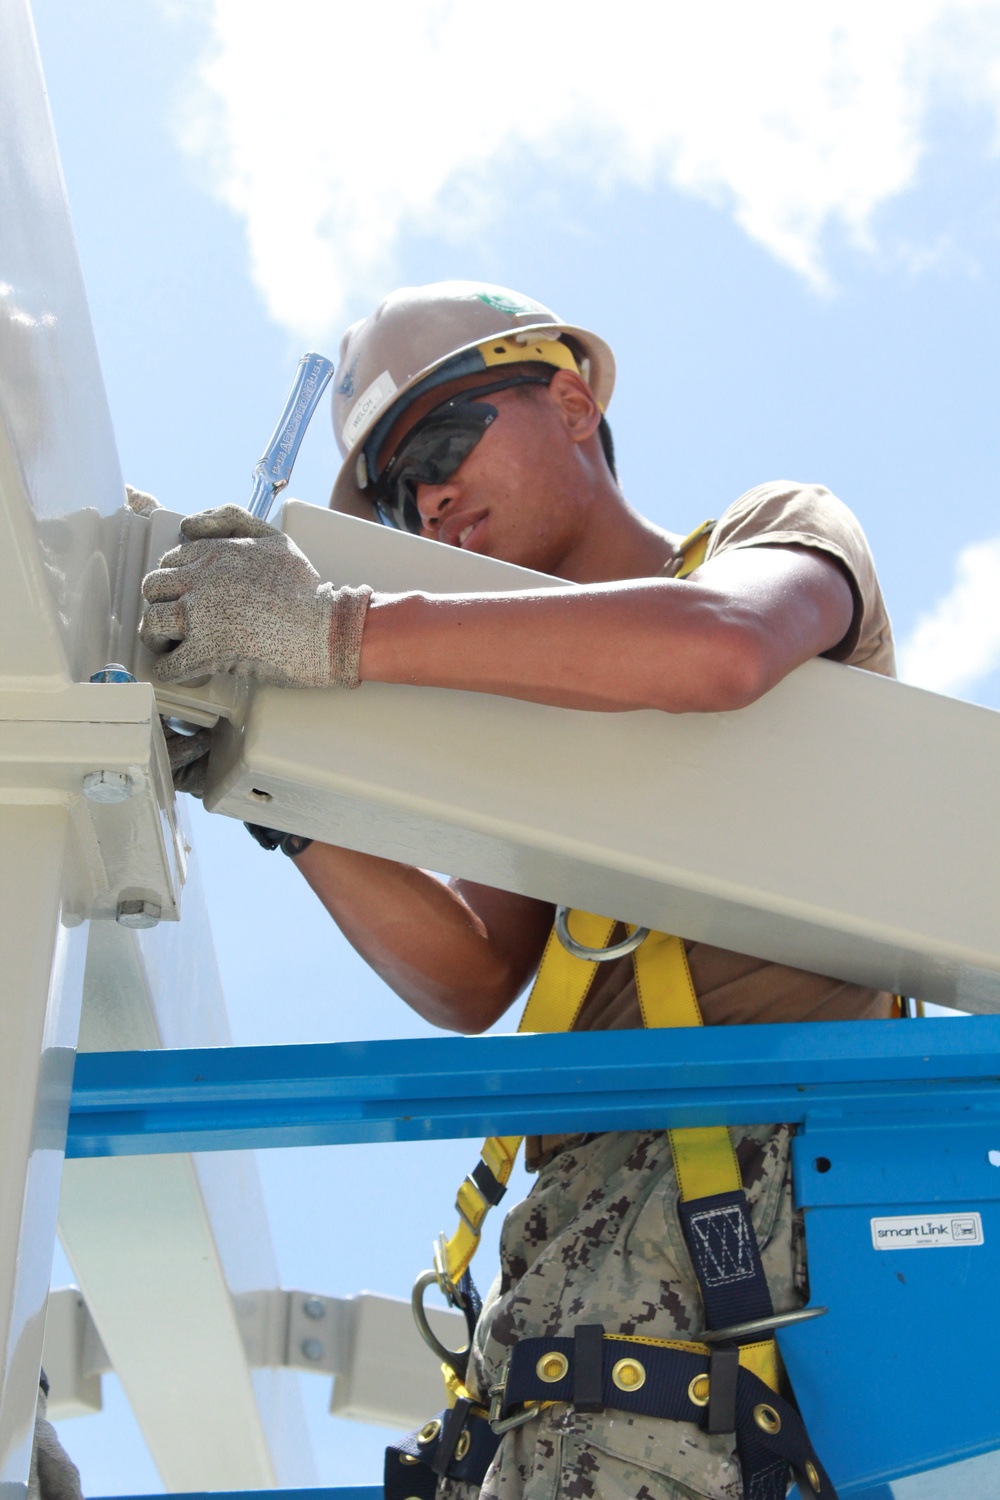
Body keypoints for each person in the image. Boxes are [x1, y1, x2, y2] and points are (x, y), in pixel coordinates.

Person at [140, 281, 895, 1500]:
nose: (426, 498)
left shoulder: (768, 529)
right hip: (584, 1242)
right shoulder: (520, 707)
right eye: (393, 490)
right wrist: (257, 780)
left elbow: (717, 650)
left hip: (763, 1193)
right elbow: (475, 972)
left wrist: (332, 633)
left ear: (571, 400)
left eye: (440, 441)